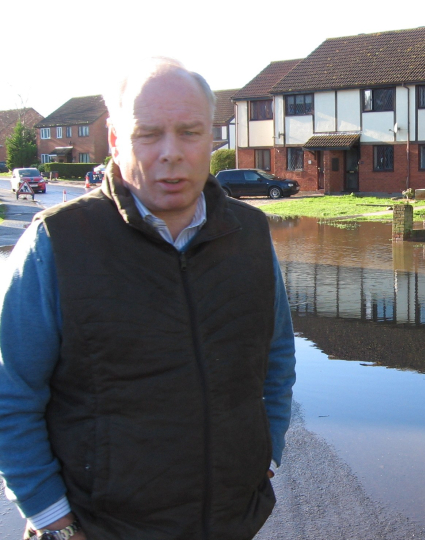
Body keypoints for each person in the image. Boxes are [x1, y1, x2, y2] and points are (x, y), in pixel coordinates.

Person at [0, 58, 296, 540]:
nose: (171, 153)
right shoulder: (58, 242)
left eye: (189, 132)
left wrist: (265, 455)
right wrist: (53, 521)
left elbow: (276, 358)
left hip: (231, 523)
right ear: (116, 141)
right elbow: (11, 397)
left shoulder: (250, 232)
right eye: (149, 134)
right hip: (100, 529)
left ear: (211, 139)